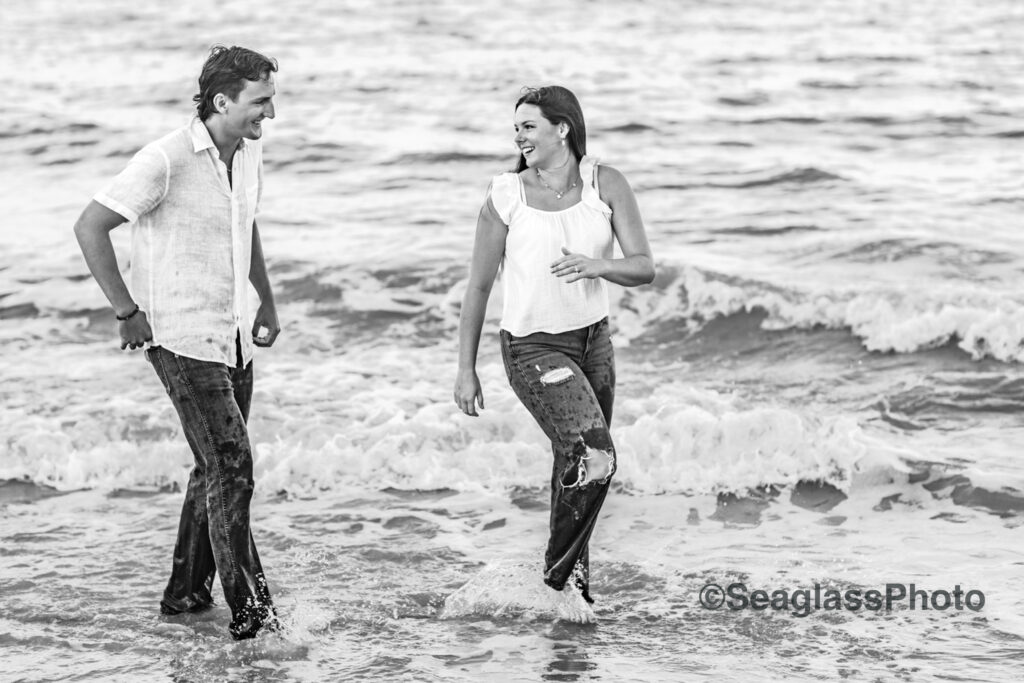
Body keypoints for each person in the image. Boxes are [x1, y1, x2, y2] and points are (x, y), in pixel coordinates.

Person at [72, 45, 282, 640]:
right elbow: (92, 225)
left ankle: (185, 596)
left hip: (233, 331)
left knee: (212, 468)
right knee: (233, 468)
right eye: (260, 100)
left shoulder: (248, 155)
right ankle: (255, 621)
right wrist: (125, 311)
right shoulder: (165, 159)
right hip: (180, 335)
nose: (270, 112)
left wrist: (264, 298)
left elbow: (247, 223)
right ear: (223, 101)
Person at [453, 86, 655, 620]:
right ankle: (556, 580)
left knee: (578, 463)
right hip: (532, 347)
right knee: (597, 457)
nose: (518, 136)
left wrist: (598, 265)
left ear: (562, 128)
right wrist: (465, 369)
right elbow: (477, 287)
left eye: (529, 126)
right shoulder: (505, 195)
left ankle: (575, 597)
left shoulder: (604, 183)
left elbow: (643, 266)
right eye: (516, 127)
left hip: (594, 344)